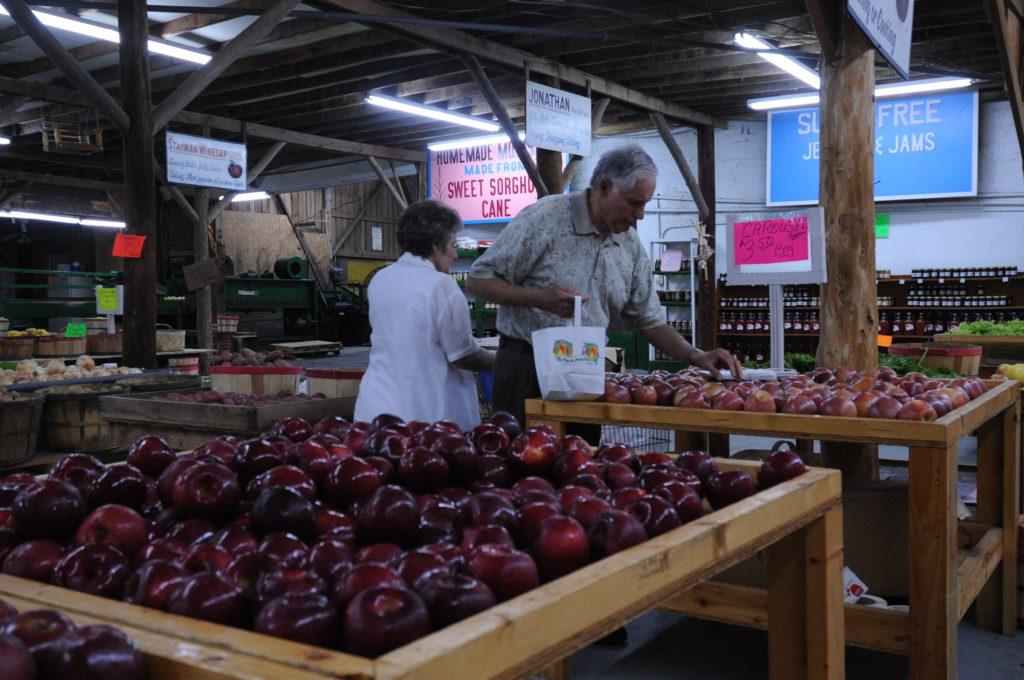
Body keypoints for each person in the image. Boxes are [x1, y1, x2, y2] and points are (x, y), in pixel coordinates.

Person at [467, 144, 742, 426]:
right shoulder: (544, 219)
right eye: (634, 202)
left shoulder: (630, 245)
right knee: (519, 458)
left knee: (582, 460)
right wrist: (539, 298)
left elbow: (649, 320)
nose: (641, 215)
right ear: (604, 186)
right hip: (526, 366)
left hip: (585, 368)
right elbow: (478, 281)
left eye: (645, 204)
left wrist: (695, 355)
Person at [354, 199, 494, 430]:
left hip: (376, 410)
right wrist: (500, 361)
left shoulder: (380, 279)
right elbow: (462, 355)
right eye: (452, 245)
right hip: (425, 417)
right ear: (435, 246)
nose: (454, 254)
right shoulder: (440, 285)